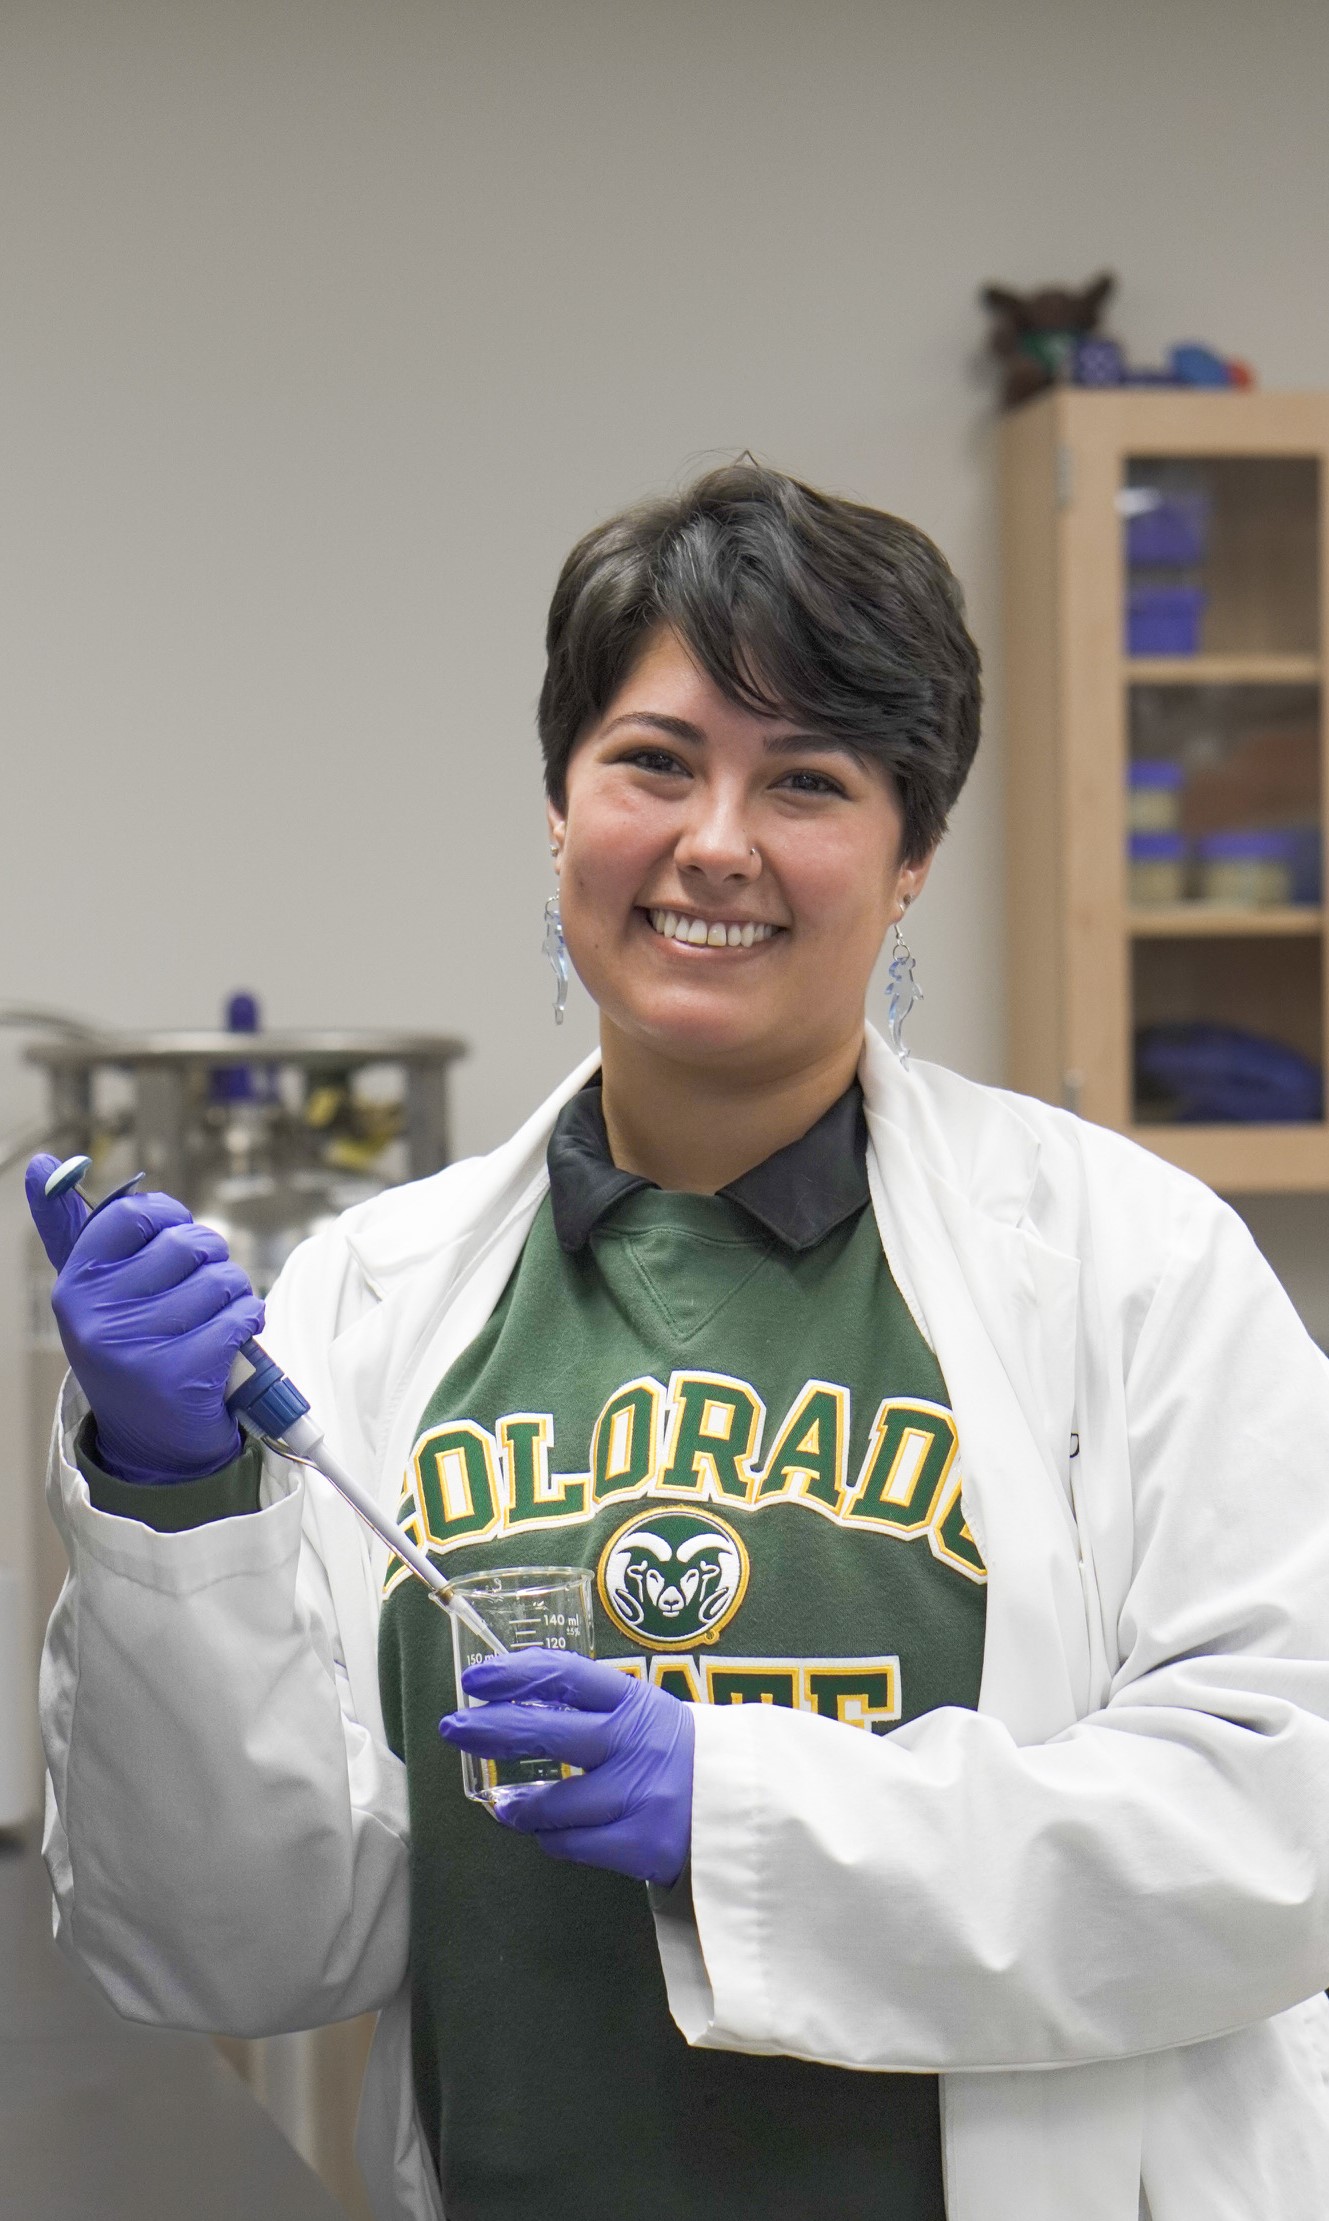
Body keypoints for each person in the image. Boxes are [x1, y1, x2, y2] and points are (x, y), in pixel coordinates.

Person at [29, 461, 1329, 2221]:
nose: (716, 840)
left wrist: (729, 1804)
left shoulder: (1129, 1264)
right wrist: (170, 1495)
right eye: (653, 762)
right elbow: (238, 1951)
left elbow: (1274, 1828)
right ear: (560, 815)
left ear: (911, 854)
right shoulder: (369, 1301)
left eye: (807, 779)